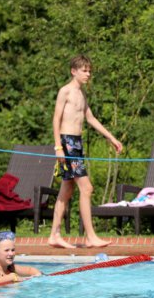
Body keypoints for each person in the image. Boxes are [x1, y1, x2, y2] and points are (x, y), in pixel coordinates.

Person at [48, 55, 122, 249]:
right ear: (74, 71)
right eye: (84, 70)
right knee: (86, 188)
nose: (88, 74)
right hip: (67, 143)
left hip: (77, 143)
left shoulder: (81, 94)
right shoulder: (65, 91)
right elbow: (56, 119)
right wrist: (58, 147)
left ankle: (54, 235)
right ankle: (90, 237)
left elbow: (91, 118)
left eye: (89, 71)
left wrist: (111, 137)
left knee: (67, 190)